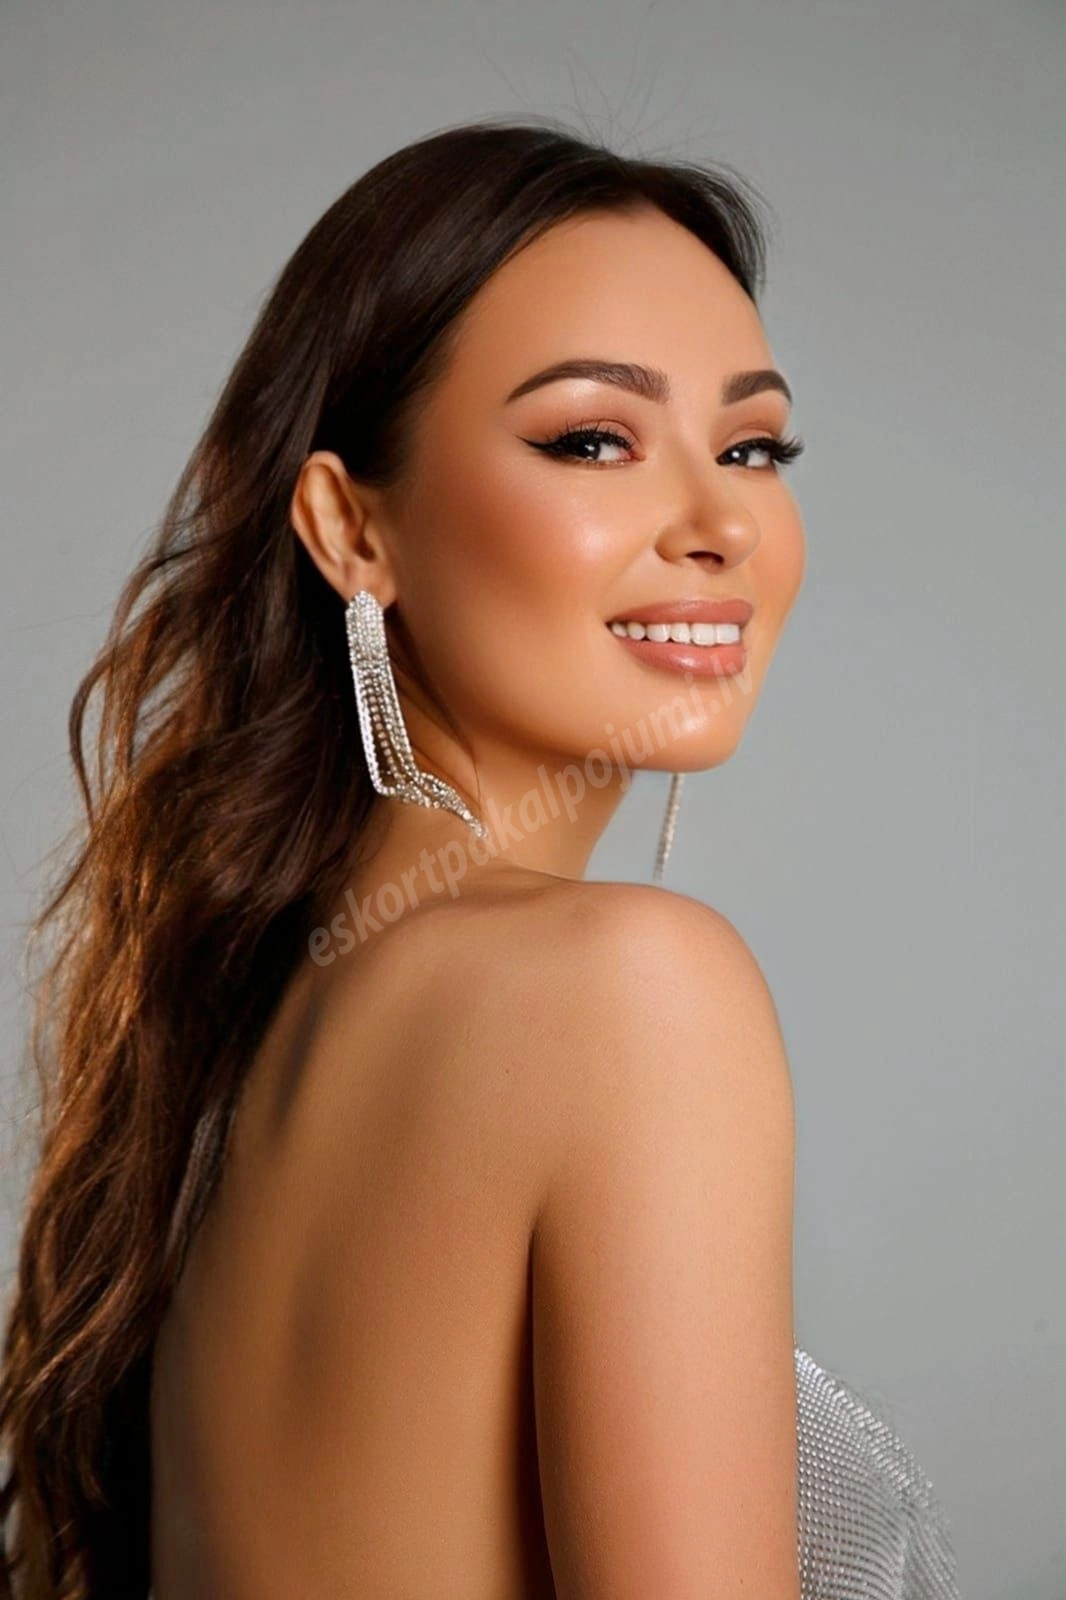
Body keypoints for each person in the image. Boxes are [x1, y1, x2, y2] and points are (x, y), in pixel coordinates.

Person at [0, 116, 960, 1599]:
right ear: (350, 529)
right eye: (592, 439)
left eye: (752, 446)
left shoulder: (232, 1037)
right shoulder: (630, 993)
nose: (721, 522)